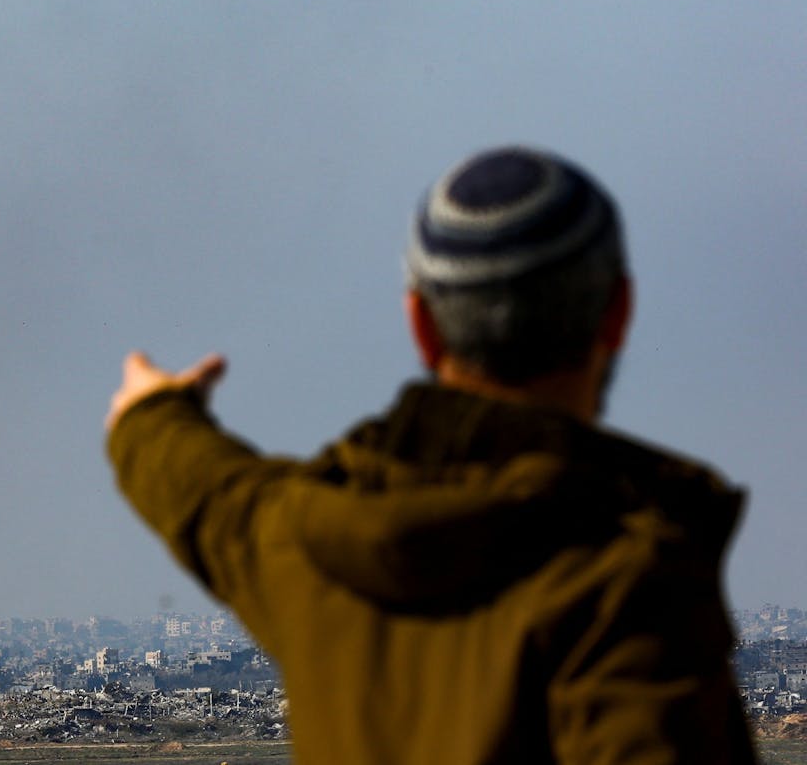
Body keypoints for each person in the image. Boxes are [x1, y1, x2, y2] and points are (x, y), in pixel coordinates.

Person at [104, 147, 756, 764]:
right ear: (618, 313)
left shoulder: (307, 538)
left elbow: (204, 489)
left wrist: (149, 413)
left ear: (421, 323)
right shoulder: (627, 585)